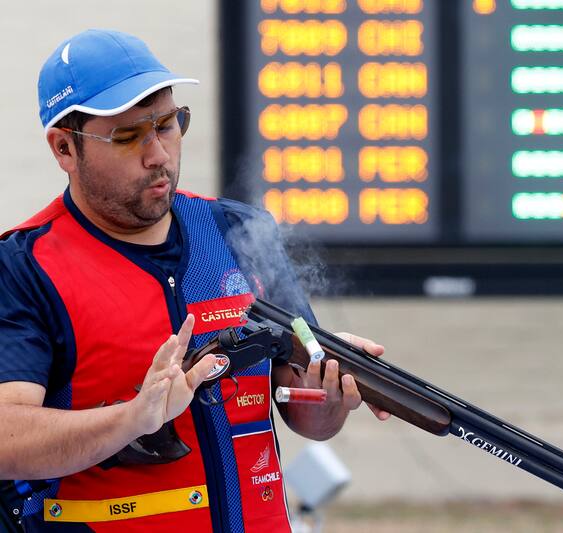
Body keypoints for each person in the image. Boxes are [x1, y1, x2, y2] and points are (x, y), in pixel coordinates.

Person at [0, 29, 387, 532]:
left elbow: (304, 410)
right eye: (127, 135)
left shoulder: (241, 231)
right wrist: (133, 419)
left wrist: (328, 396)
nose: (158, 154)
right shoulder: (24, 264)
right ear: (64, 149)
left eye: (168, 124)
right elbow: (7, 439)